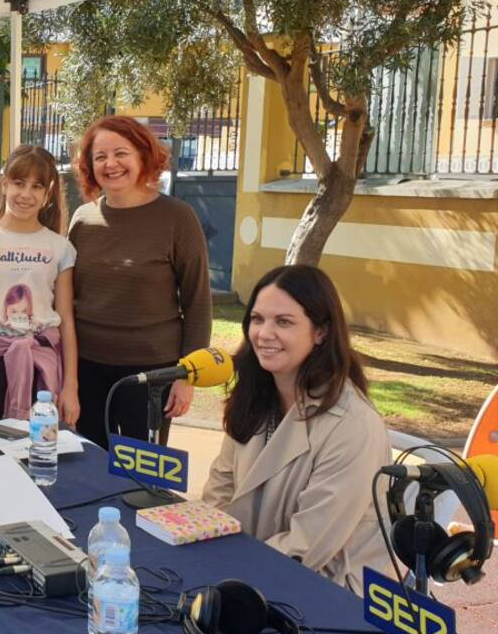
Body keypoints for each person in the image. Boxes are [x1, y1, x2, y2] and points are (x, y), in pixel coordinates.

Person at [201, 265, 391, 594]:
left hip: (328, 597)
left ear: (321, 332)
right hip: (247, 571)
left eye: (284, 322)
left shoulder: (353, 426)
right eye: (257, 319)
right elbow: (219, 493)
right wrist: (209, 554)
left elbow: (307, 547)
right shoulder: (254, 396)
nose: (264, 333)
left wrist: (227, 570)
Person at [68, 116, 211, 447]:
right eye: (100, 156)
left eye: (121, 153)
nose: (111, 164)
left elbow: (198, 303)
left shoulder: (177, 218)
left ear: (144, 155)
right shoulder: (82, 219)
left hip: (152, 375)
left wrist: (187, 376)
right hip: (87, 370)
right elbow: (67, 296)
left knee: (142, 480)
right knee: (90, 467)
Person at [0, 145, 79, 423]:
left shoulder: (61, 248)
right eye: (19, 183)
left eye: (37, 186)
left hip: (41, 366)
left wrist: (71, 386)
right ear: (4, 184)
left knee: (37, 450)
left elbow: (67, 321)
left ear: (47, 194)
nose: (26, 194)